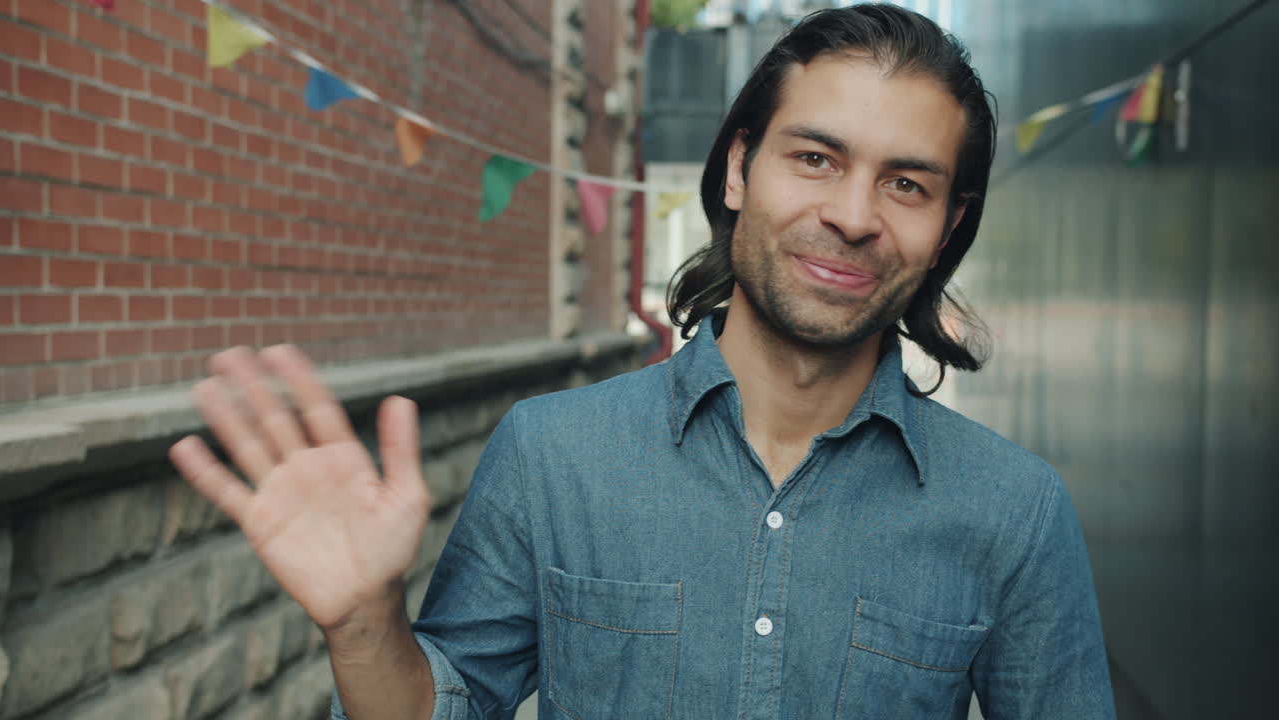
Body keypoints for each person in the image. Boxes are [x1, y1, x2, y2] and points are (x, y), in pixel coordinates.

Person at [169, 5, 1115, 719]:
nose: (856, 215)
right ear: (740, 169)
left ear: (947, 226)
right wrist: (366, 623)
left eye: (906, 183)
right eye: (817, 158)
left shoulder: (1014, 513)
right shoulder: (552, 454)